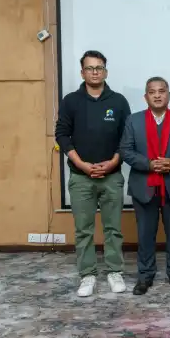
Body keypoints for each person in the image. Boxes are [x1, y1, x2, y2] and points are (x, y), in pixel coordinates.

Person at [55, 50, 131, 297]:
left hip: (112, 176)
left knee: (113, 228)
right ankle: (87, 275)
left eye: (99, 68)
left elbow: (127, 138)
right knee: (83, 230)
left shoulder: (118, 101)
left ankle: (114, 271)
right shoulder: (71, 101)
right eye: (90, 68)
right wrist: (82, 165)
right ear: (82, 73)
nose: (95, 72)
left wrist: (113, 162)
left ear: (105, 71)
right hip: (81, 177)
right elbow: (62, 135)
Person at [119, 76, 170, 295]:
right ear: (145, 97)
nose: (157, 95)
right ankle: (145, 276)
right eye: (152, 92)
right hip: (144, 186)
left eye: (161, 91)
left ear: (168, 95)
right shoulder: (133, 121)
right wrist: (149, 164)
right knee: (145, 235)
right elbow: (125, 150)